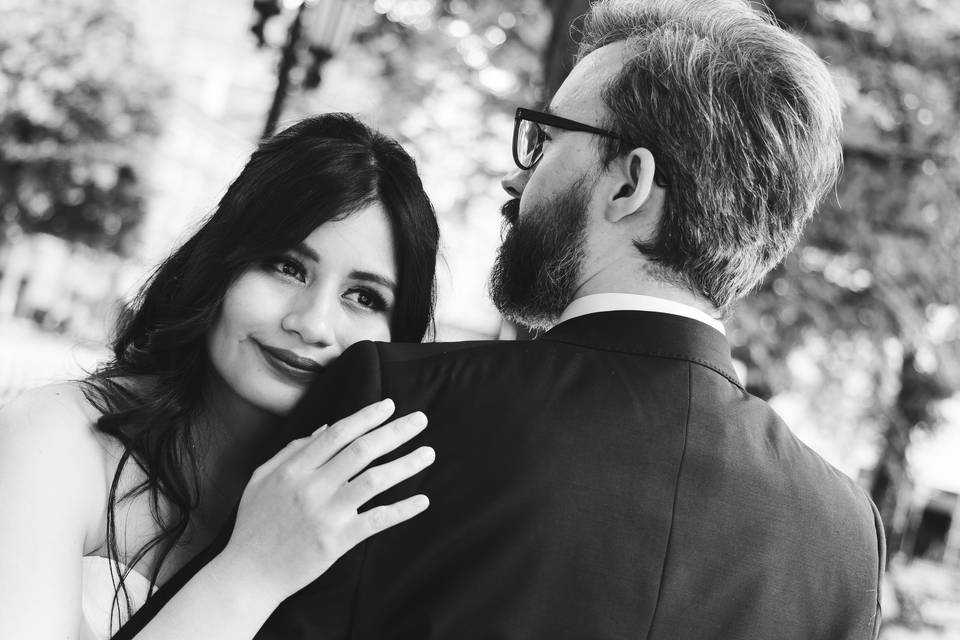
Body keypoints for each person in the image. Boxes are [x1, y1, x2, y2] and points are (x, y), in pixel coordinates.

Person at [122, 0, 886, 638]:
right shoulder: (847, 536)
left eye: (547, 138)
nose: (515, 172)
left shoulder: (395, 410)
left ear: (629, 185)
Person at [0, 113, 441, 639]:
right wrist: (251, 572)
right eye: (286, 266)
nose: (312, 323)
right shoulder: (55, 437)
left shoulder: (373, 522)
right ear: (221, 263)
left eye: (363, 297)